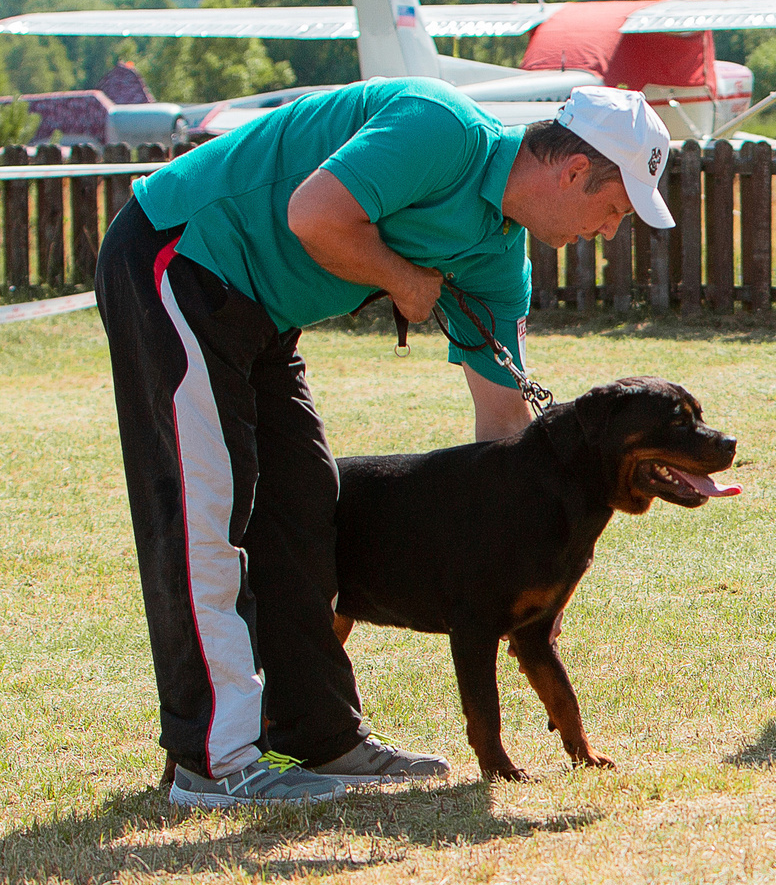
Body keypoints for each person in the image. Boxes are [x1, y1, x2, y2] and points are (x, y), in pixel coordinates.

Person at [97, 80, 674, 806]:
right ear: (574, 171)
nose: (610, 231)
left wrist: (531, 561)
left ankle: (321, 739)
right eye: (615, 209)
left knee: (306, 506)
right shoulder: (441, 127)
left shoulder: (501, 261)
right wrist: (403, 279)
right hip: (179, 256)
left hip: (263, 313)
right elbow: (313, 215)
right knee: (206, 511)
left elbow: (505, 429)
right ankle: (212, 764)